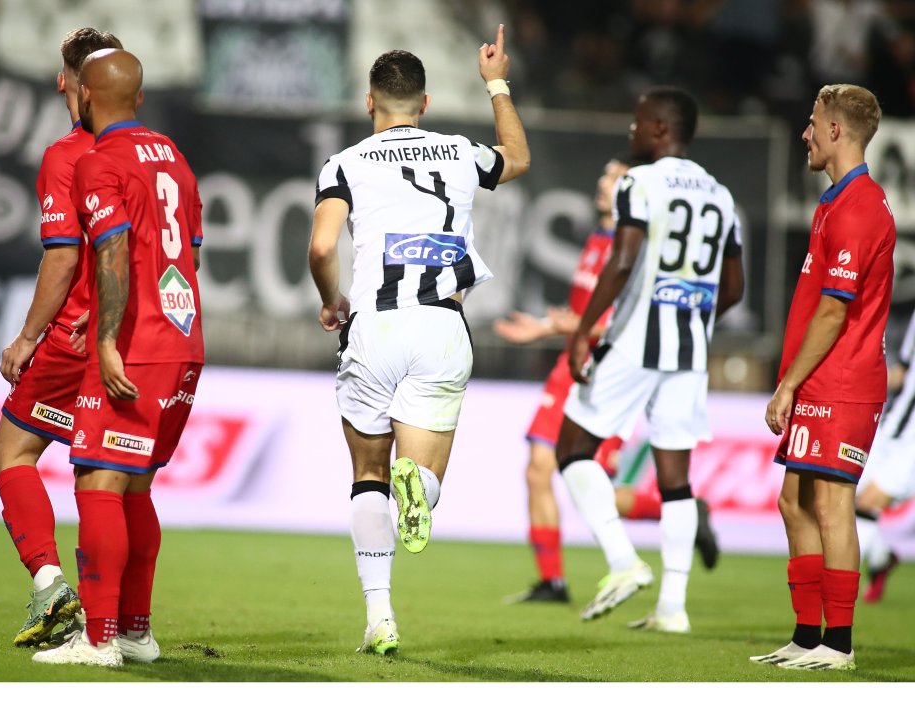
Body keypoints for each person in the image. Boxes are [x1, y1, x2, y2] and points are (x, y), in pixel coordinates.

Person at [308, 25, 530, 655]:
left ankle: (380, 618)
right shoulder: (459, 152)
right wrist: (496, 82)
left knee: (367, 476)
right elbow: (517, 159)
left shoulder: (344, 163)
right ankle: (421, 490)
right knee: (421, 480)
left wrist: (330, 299)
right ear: (426, 104)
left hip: (373, 326)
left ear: (369, 101)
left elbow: (322, 246)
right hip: (440, 324)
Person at [32, 48, 204, 667]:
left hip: (137, 345)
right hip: (184, 340)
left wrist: (107, 339)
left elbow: (110, 252)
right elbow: (191, 254)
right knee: (135, 486)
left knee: (98, 481)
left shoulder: (98, 161)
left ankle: (100, 638)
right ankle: (135, 631)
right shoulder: (174, 157)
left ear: (84, 93)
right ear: (138, 96)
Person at [553, 86, 745, 633]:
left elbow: (623, 259)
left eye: (639, 122)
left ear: (661, 128)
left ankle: (622, 561)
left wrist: (584, 330)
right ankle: (673, 609)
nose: (632, 131)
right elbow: (734, 288)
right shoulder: (722, 196)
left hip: (636, 340)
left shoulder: (639, 182)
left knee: (572, 448)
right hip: (690, 349)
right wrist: (694, 317)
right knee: (675, 480)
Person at [496, 158, 720, 604]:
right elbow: (582, 313)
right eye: (603, 176)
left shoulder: (635, 247)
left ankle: (682, 513)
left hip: (610, 371)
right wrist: (550, 326)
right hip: (572, 362)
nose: (603, 184)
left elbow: (625, 321)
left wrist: (563, 327)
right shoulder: (598, 239)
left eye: (615, 178)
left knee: (594, 485)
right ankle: (552, 581)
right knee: (538, 469)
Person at [751, 84, 894, 672]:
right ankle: (807, 635)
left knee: (832, 505)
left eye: (813, 122)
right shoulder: (833, 203)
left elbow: (835, 310)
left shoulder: (859, 207)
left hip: (844, 382)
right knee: (795, 502)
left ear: (836, 130)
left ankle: (839, 643)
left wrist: (787, 384)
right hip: (820, 380)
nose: (805, 133)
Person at [0, 27, 122, 648]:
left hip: (75, 338)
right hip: (134, 339)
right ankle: (126, 626)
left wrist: (25, 338)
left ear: (65, 80)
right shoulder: (149, 153)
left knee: (11, 453)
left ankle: (50, 586)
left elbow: (63, 257)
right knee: (116, 481)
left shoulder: (66, 156)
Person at [855, 309, 915, 604]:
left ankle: (836, 585)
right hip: (890, 426)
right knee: (849, 498)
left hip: (911, 444)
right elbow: (902, 366)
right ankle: (881, 559)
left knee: (868, 502)